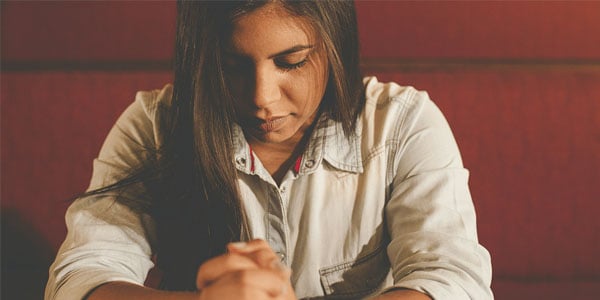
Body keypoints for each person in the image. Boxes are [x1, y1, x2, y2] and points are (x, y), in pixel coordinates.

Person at [45, 1, 493, 299]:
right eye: (232, 66)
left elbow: (452, 279)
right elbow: (81, 274)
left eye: (291, 62)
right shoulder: (157, 125)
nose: (262, 97)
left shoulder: (402, 123)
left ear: (335, 45)